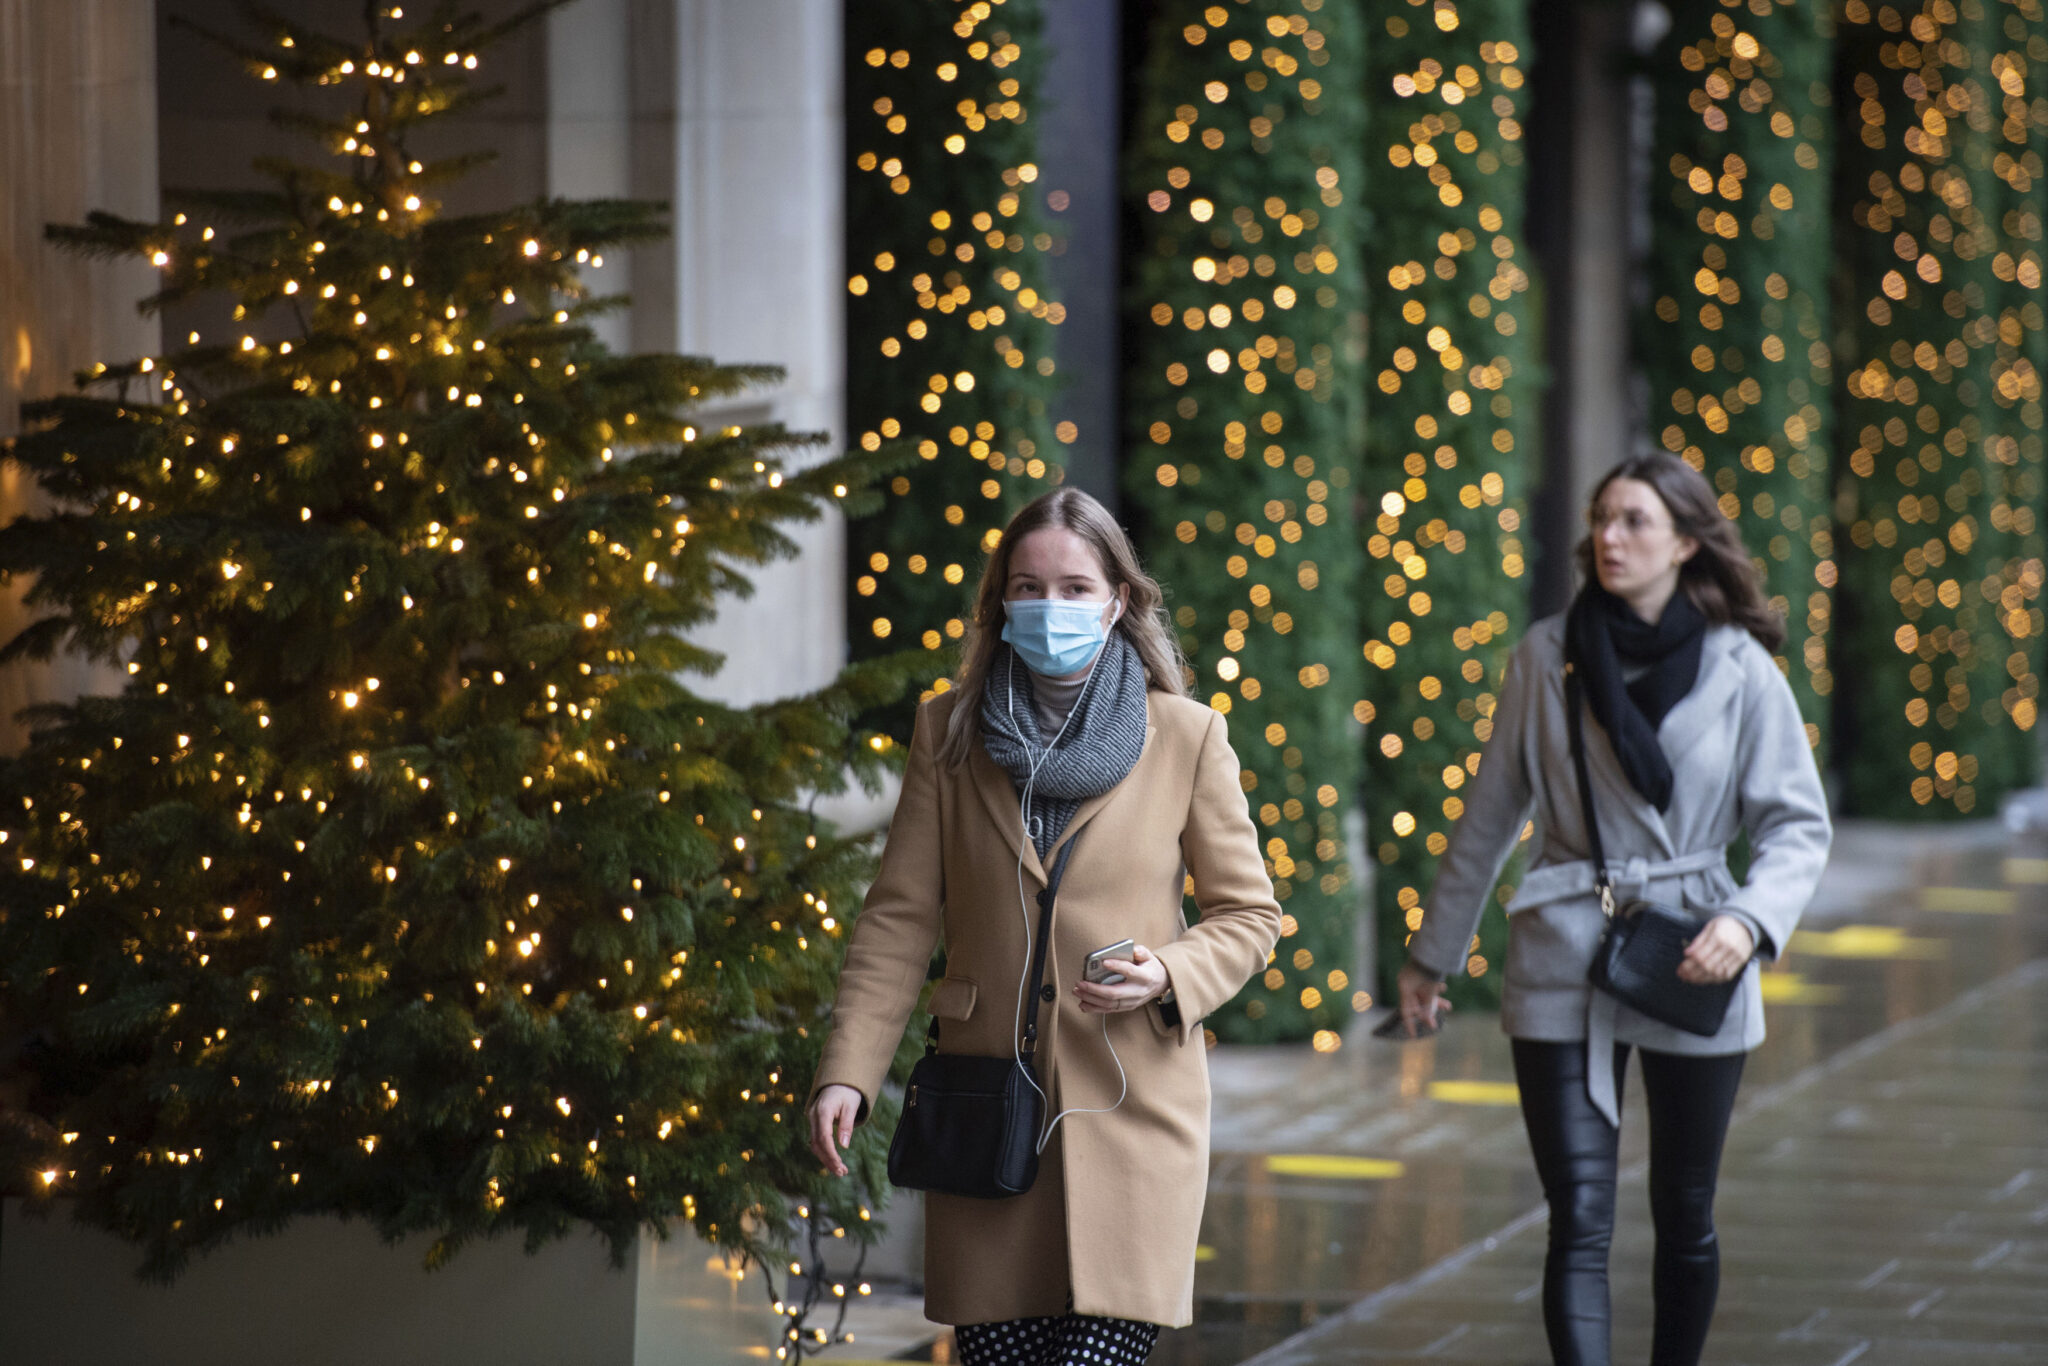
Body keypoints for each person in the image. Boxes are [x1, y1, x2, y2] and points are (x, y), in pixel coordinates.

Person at [807, 487, 1282, 1365]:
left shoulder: (1187, 736)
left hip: (1132, 1109)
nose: (1048, 607)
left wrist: (1170, 973)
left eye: (1073, 588)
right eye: (1027, 588)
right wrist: (848, 1074)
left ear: (1118, 600)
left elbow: (1249, 914)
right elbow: (898, 920)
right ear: (1000, 601)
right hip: (985, 1117)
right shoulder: (948, 732)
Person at [1397, 452, 1832, 1366]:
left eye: (1635, 520)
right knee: (1579, 1216)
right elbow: (1489, 817)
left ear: (1686, 542)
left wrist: (1748, 923)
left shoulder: (1742, 669)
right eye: (1602, 518)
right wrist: (1431, 958)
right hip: (1564, 946)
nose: (1610, 536)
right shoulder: (1545, 656)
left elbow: (1797, 826)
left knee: (1685, 1212)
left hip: (1696, 947)